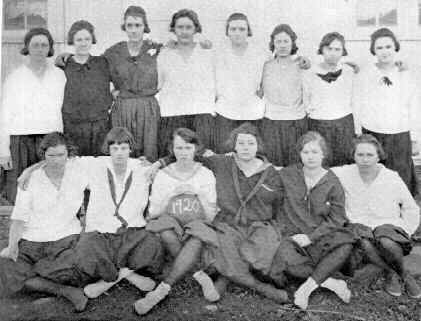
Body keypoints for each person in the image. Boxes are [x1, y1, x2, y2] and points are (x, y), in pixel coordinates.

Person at [154, 123, 290, 305]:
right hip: (228, 224)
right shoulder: (221, 162)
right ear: (234, 144)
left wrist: (277, 229)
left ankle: (225, 279)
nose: (246, 148)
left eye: (250, 143)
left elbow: (279, 206)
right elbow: (186, 154)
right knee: (224, 249)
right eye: (241, 143)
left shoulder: (271, 173)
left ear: (258, 145)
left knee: (253, 255)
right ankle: (262, 288)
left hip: (259, 226)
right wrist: (159, 163)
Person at [134, 128, 218, 315]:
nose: (183, 153)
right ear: (172, 150)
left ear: (196, 149)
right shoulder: (164, 174)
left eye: (188, 147)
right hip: (171, 223)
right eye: (178, 148)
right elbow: (153, 212)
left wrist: (198, 194)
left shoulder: (205, 173)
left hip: (196, 224)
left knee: (197, 235)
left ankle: (162, 289)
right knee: (165, 229)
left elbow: (211, 213)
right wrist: (171, 195)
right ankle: (198, 274)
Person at [0, 133, 88, 311]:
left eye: (61, 155)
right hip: (33, 239)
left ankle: (40, 282)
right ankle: (64, 291)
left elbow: (112, 162)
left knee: (82, 262)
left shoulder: (80, 171)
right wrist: (12, 246)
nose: (56, 161)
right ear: (43, 155)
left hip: (66, 237)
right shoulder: (30, 180)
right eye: (50, 156)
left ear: (69, 154)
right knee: (6, 267)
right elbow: (18, 218)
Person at [332, 134, 421, 298]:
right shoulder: (344, 173)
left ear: (379, 156)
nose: (365, 159)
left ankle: (403, 274)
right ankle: (391, 273)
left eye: (370, 155)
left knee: (385, 241)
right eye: (360, 155)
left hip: (387, 225)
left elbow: (411, 207)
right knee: (364, 242)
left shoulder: (391, 177)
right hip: (360, 226)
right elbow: (317, 174)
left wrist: (406, 230)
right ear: (353, 156)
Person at [278, 131, 356, 309]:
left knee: (345, 244)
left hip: (321, 235)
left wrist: (312, 237)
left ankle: (306, 289)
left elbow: (337, 218)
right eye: (306, 152)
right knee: (285, 260)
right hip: (294, 234)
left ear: (323, 154)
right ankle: (332, 283)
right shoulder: (287, 174)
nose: (310, 157)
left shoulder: (333, 182)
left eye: (315, 152)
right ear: (299, 154)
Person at [0, 28, 66, 203]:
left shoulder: (59, 75)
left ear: (50, 49)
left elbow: (61, 110)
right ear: (27, 48)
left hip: (48, 141)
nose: (39, 49)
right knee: (21, 194)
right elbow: (5, 115)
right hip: (20, 142)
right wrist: (3, 151)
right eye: (35, 45)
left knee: (49, 194)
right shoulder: (15, 77)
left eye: (44, 45)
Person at [353, 27, 421, 196]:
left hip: (399, 133)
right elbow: (358, 103)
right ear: (373, 50)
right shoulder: (366, 73)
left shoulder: (405, 73)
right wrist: (358, 132)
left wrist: (415, 138)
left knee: (399, 177)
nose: (384, 52)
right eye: (379, 48)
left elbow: (413, 105)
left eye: (388, 47)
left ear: (395, 48)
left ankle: (402, 215)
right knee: (375, 176)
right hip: (373, 132)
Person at [104, 6, 163, 160]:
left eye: (138, 25)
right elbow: (97, 72)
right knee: (122, 150)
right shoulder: (113, 52)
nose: (134, 30)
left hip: (148, 108)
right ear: (125, 27)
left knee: (149, 152)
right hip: (123, 108)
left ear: (145, 27)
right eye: (129, 25)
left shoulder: (157, 50)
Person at [157, 9, 216, 155]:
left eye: (188, 27)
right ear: (174, 29)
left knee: (202, 159)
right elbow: (158, 84)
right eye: (180, 27)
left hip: (201, 114)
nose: (184, 31)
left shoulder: (206, 52)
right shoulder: (165, 54)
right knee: (173, 159)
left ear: (196, 28)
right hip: (172, 114)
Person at [213, 13, 266, 152]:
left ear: (248, 31)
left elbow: (275, 69)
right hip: (225, 112)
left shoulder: (260, 53)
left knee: (250, 154)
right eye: (233, 29)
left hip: (252, 112)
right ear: (227, 31)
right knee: (226, 155)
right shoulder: (218, 53)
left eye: (242, 29)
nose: (237, 33)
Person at [61, 20, 112, 156]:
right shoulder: (64, 65)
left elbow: (119, 81)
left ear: (92, 40)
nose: (83, 43)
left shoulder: (102, 63)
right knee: (76, 165)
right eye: (79, 39)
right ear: (72, 40)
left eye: (87, 39)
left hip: (99, 125)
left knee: (98, 164)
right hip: (73, 126)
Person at [305, 32, 356, 166]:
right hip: (319, 124)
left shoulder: (349, 72)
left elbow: (354, 99)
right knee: (322, 163)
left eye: (337, 49)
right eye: (329, 49)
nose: (333, 53)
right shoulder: (309, 73)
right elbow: (306, 99)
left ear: (342, 51)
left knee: (344, 163)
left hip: (344, 125)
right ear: (322, 49)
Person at [261, 24, 308, 167]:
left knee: (295, 165)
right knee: (273, 165)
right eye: (278, 41)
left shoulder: (302, 65)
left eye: (286, 41)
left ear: (292, 43)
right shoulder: (266, 65)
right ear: (273, 43)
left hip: (295, 121)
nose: (282, 45)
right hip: (272, 121)